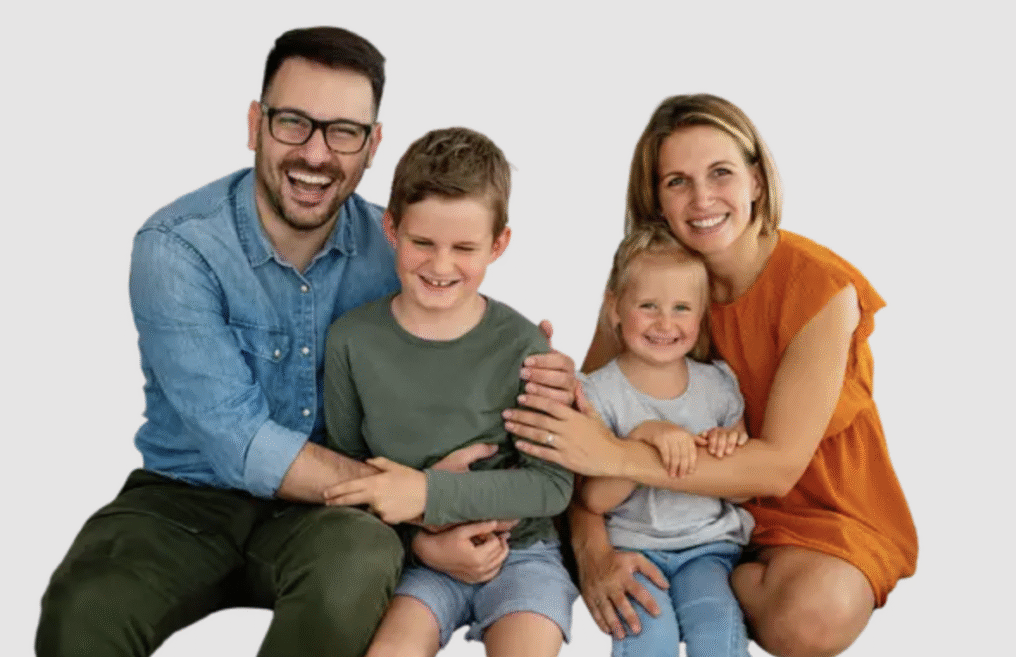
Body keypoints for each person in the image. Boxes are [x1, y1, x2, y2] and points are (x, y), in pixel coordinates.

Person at [36, 27, 575, 657]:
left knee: (354, 568)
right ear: (254, 124)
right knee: (84, 610)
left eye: (343, 131)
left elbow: (470, 336)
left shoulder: (400, 249)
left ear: (373, 145)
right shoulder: (177, 248)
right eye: (294, 122)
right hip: (185, 498)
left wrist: (541, 372)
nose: (316, 154)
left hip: (332, 517)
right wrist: (421, 501)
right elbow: (237, 440)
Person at [503, 94, 918, 657]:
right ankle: (681, 577)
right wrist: (592, 548)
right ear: (656, 199)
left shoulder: (820, 290)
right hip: (662, 513)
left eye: (720, 173)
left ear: (756, 181)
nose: (702, 199)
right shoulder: (653, 284)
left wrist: (619, 457)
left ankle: (708, 581)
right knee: (527, 507)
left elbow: (773, 468)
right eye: (677, 181)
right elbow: (592, 429)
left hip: (814, 514)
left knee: (814, 620)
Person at [320, 127, 577, 657]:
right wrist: (424, 541)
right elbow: (348, 471)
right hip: (421, 559)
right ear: (391, 228)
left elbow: (551, 488)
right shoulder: (351, 340)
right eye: (422, 243)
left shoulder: (523, 345)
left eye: (464, 248)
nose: (440, 267)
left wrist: (431, 494)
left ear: (499, 243)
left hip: (522, 552)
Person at [580, 223, 754, 657]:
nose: (665, 323)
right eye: (648, 306)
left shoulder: (718, 384)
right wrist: (642, 440)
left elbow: (747, 486)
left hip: (708, 550)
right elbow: (596, 498)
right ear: (615, 308)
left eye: (681, 308)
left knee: (716, 632)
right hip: (633, 553)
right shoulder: (597, 393)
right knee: (646, 637)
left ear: (701, 315)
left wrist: (727, 446)